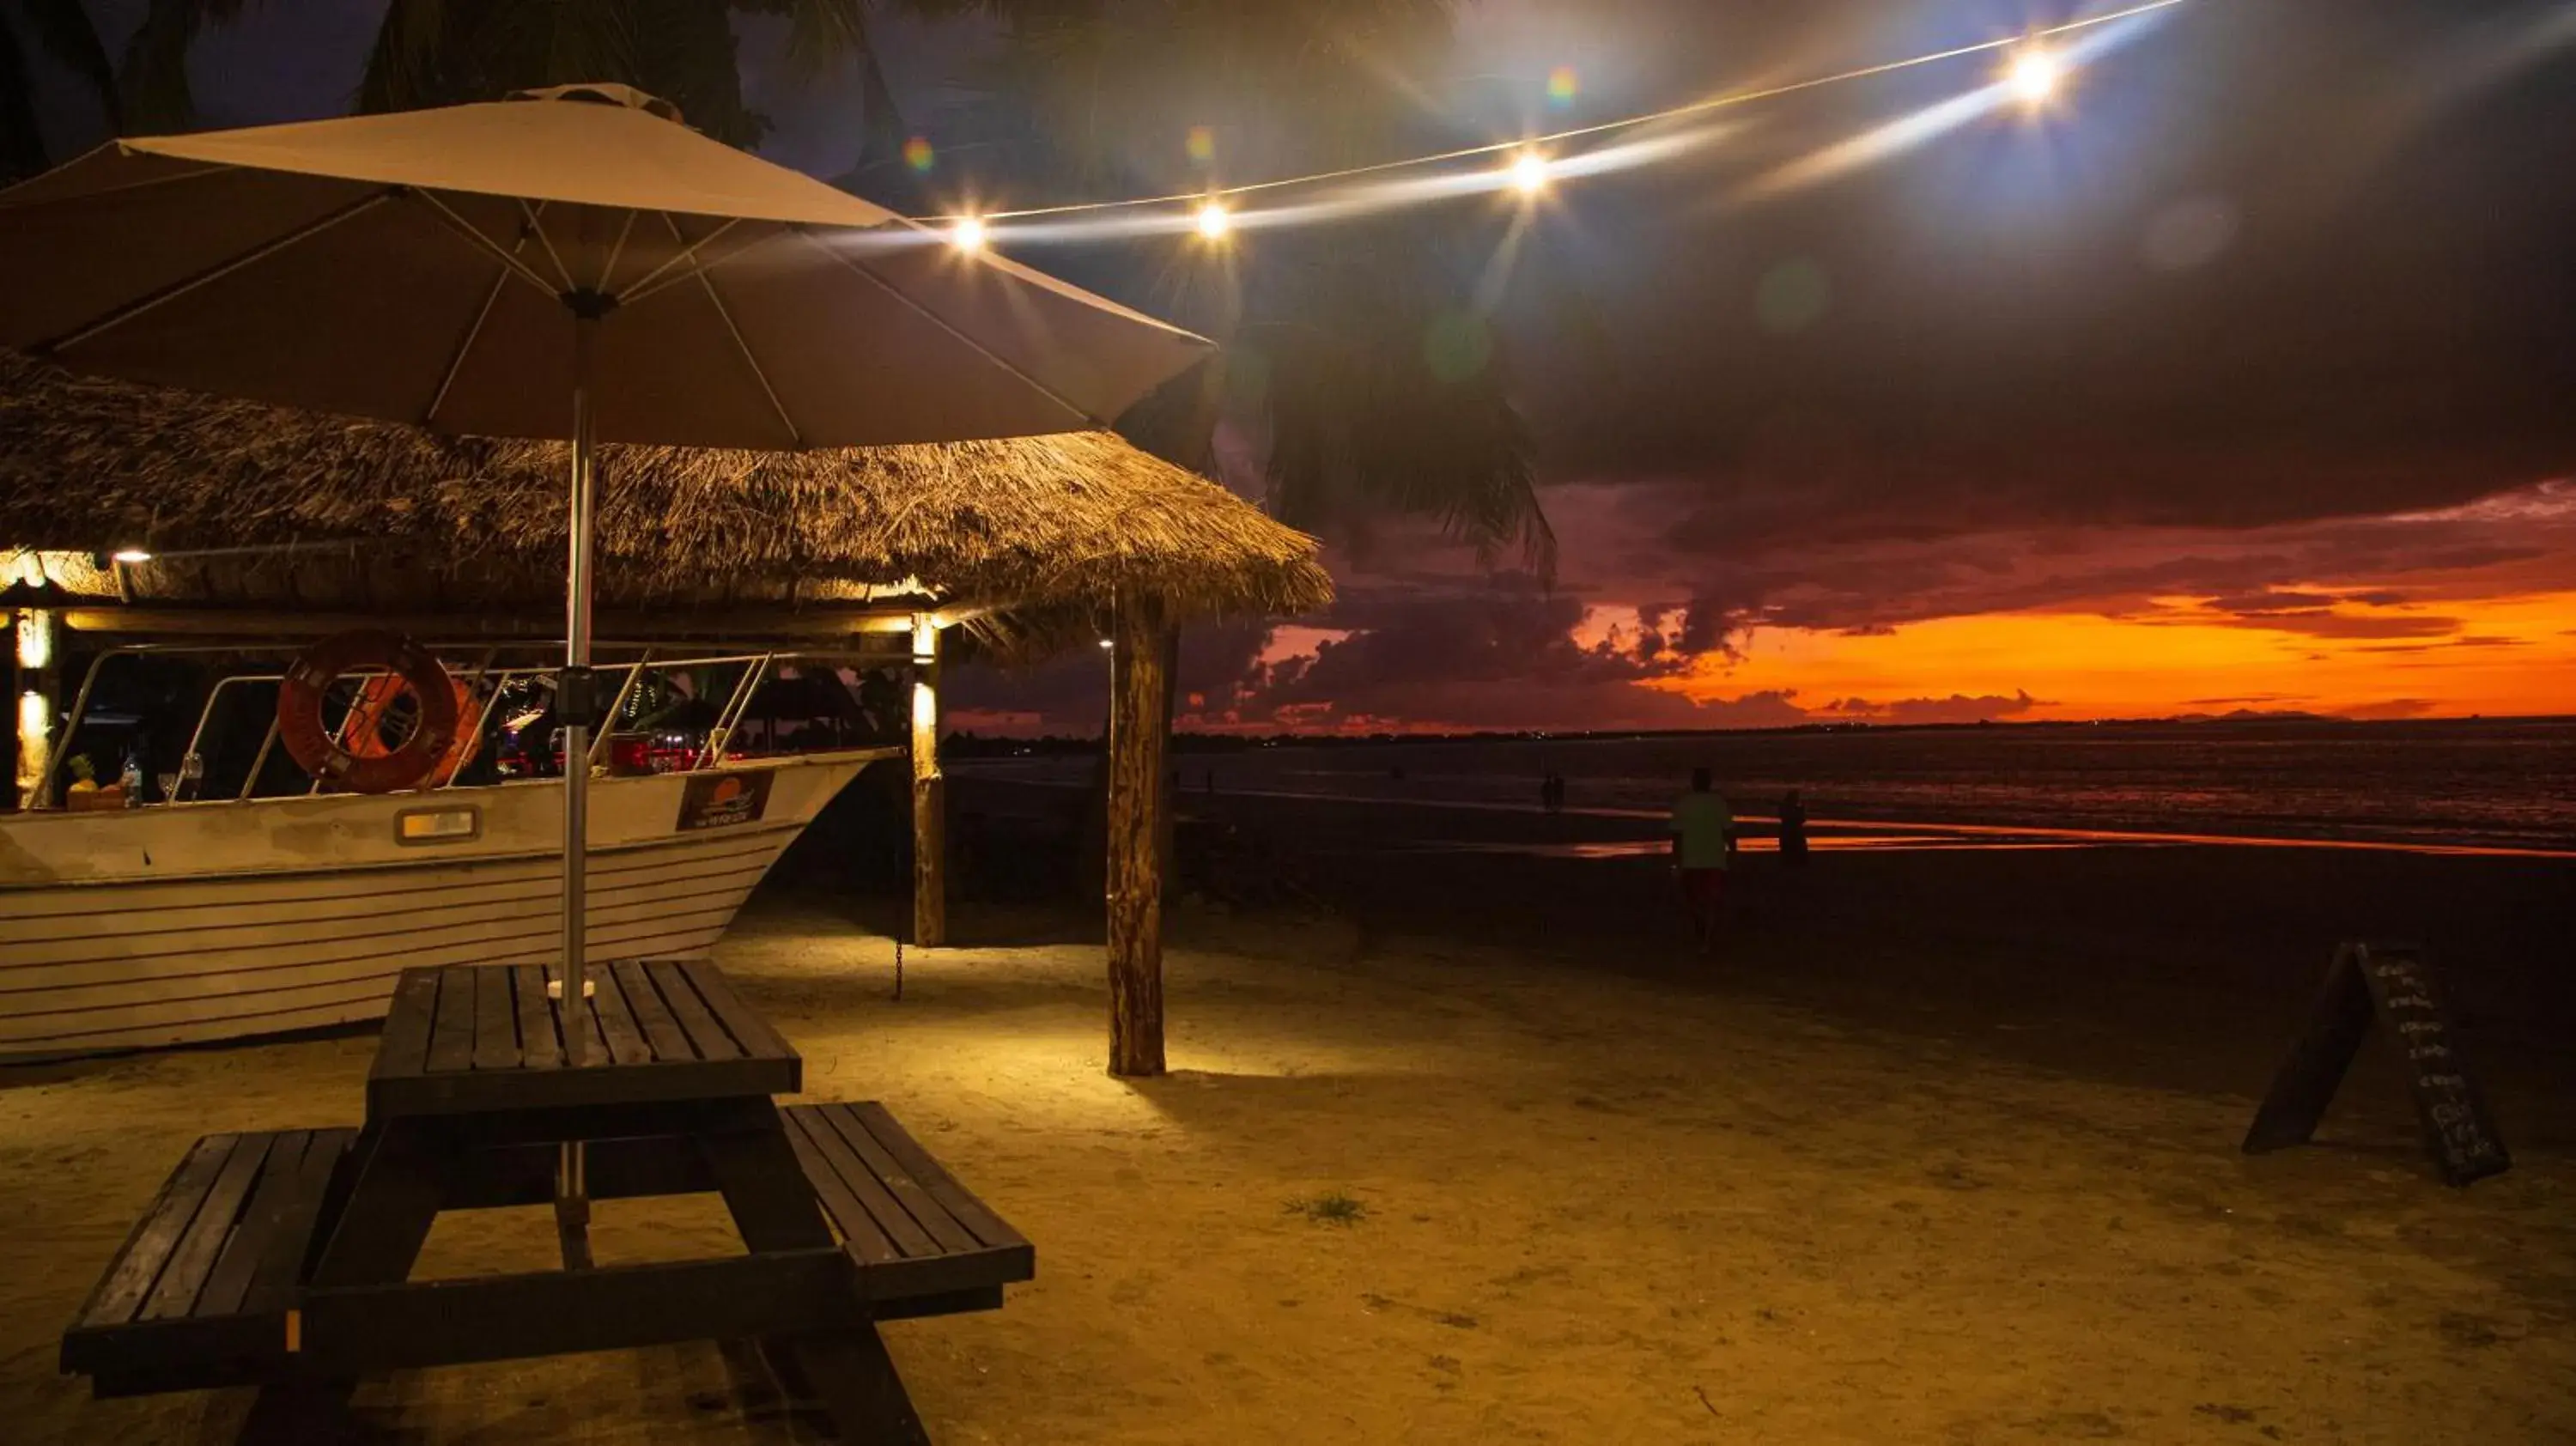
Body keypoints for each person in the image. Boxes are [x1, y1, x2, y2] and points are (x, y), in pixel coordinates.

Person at [1669, 767, 1733, 952]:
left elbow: (1676, 835)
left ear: (1694, 783)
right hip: (1714, 858)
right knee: (1710, 900)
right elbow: (1729, 831)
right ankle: (1706, 935)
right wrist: (1733, 851)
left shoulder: (1685, 803)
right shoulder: (1718, 802)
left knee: (1694, 899)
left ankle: (1703, 932)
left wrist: (1677, 859)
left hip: (1692, 859)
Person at [1777, 788, 1809, 868]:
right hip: (1793, 831)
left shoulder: (1785, 807)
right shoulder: (1791, 809)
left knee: (1789, 849)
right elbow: (1801, 819)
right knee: (1795, 848)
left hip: (1787, 830)